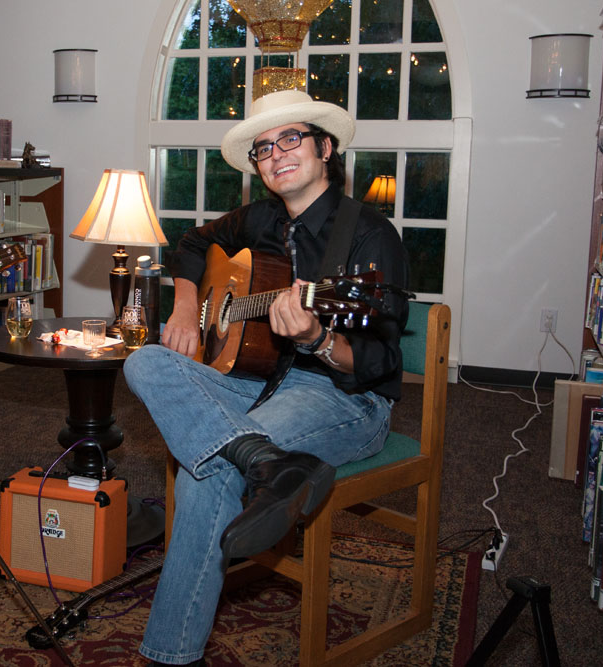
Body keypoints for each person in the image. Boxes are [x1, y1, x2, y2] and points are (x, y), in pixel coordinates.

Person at [123, 89, 409, 666]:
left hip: (343, 396)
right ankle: (268, 462)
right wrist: (187, 310)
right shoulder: (262, 218)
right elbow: (193, 243)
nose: (276, 154)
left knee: (208, 474)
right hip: (257, 380)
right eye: (262, 149)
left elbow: (380, 361)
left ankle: (168, 656)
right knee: (142, 361)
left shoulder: (370, 235)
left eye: (291, 138)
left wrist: (317, 338)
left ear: (325, 148)